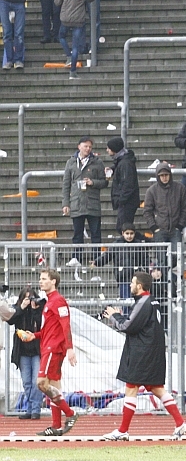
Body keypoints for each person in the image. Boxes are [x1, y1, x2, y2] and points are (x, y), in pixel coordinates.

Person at [100, 271, 186, 441]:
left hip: (143, 352)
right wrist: (121, 316)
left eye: (133, 282)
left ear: (139, 286)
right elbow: (139, 324)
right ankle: (180, 423)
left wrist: (114, 316)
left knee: (131, 387)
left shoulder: (143, 302)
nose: (130, 285)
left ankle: (123, 430)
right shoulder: (152, 301)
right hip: (153, 351)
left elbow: (127, 326)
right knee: (157, 388)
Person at [22, 269, 79, 436]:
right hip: (48, 346)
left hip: (53, 349)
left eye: (44, 278)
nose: (40, 281)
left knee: (41, 383)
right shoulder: (49, 302)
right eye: (40, 278)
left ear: (53, 281)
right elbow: (49, 329)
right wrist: (34, 335)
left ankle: (70, 413)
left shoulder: (58, 301)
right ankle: (56, 426)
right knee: (54, 387)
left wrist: (70, 348)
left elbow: (66, 325)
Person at [61, 136, 106, 257]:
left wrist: (93, 182)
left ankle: (96, 259)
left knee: (96, 234)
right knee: (77, 234)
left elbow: (104, 182)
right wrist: (65, 203)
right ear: (79, 147)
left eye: (90, 147)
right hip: (77, 203)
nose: (88, 149)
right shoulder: (71, 162)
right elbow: (66, 184)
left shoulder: (97, 162)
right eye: (85, 146)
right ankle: (77, 258)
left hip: (92, 203)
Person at [6, 286, 43, 420]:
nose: (28, 300)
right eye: (26, 298)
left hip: (37, 350)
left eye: (31, 297)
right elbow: (11, 320)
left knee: (36, 382)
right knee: (26, 382)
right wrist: (22, 307)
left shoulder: (39, 309)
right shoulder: (17, 309)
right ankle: (30, 408)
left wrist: (34, 309)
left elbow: (41, 323)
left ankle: (35, 410)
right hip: (22, 351)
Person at [105, 136, 139, 234]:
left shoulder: (125, 163)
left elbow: (128, 184)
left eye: (108, 148)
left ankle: (143, 240)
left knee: (124, 228)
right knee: (123, 228)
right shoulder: (123, 160)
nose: (107, 150)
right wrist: (112, 169)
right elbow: (119, 165)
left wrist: (121, 200)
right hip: (126, 201)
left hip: (127, 202)